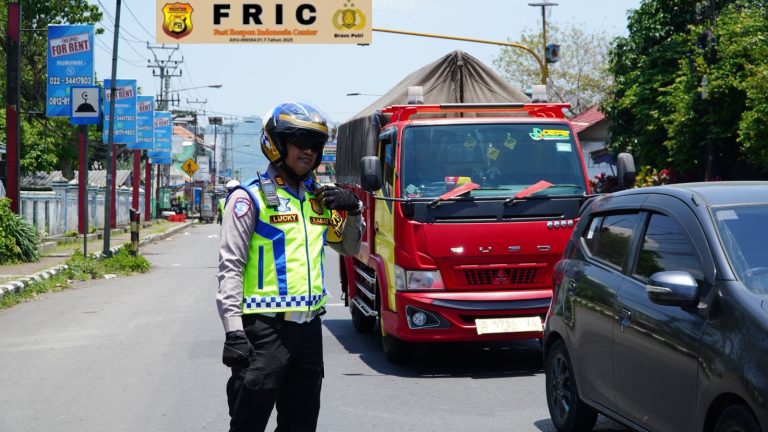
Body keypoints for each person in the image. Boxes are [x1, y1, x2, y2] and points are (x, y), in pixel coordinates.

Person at [217, 102, 363, 432]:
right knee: (247, 423)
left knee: (302, 423)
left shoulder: (320, 198)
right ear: (277, 144)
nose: (308, 151)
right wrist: (233, 331)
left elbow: (348, 247)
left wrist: (353, 210)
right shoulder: (248, 198)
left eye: (315, 145)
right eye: (299, 142)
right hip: (263, 332)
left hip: (309, 331)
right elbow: (231, 266)